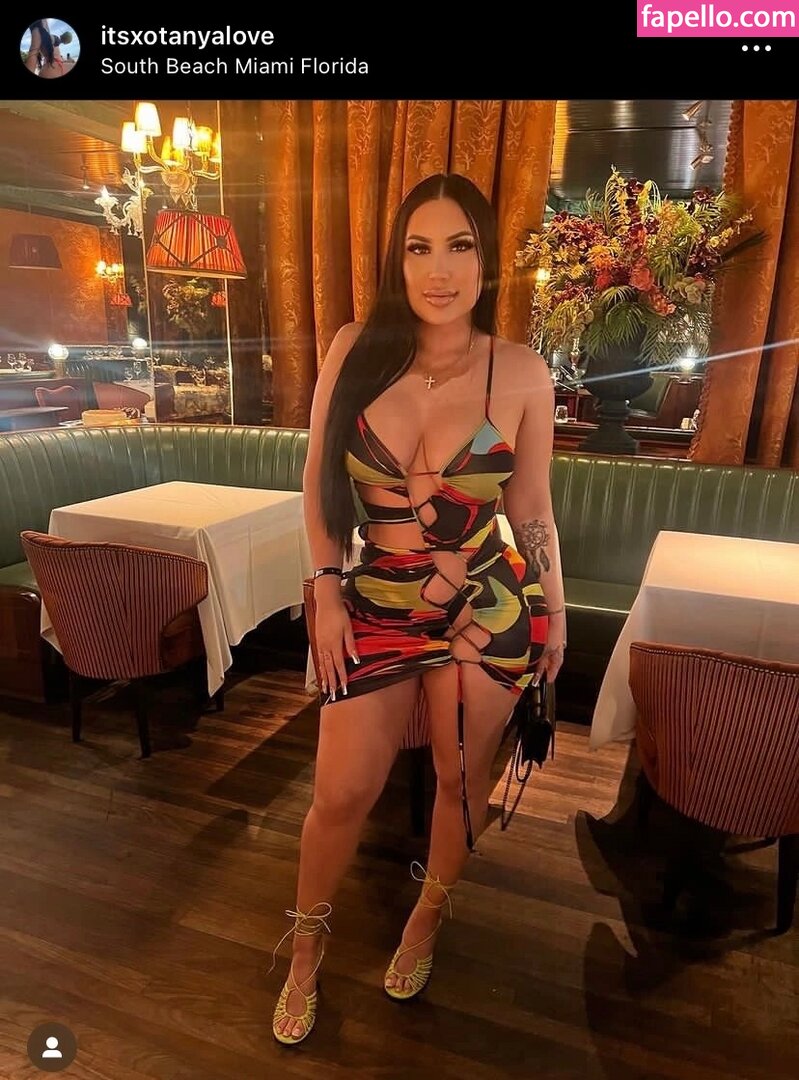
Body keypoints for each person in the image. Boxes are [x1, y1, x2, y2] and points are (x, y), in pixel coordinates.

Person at [271, 173, 566, 1045]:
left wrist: (555, 613)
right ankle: (304, 948)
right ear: (397, 261)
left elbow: (532, 506)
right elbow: (317, 483)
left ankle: (428, 915)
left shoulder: (520, 370)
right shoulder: (355, 348)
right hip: (378, 597)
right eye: (419, 247)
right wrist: (325, 588)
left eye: (459, 246)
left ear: (486, 259)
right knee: (340, 792)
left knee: (458, 780)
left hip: (490, 603)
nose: (439, 270)